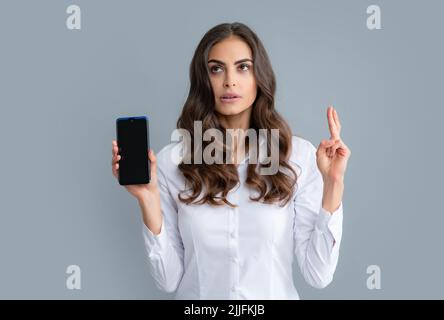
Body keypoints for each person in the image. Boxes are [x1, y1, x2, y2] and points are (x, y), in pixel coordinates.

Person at [111, 22, 351, 299]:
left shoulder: (297, 156)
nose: (229, 81)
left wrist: (333, 184)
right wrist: (148, 198)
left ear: (259, 76)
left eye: (243, 67)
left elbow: (318, 274)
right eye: (216, 69)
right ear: (203, 79)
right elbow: (168, 280)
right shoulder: (171, 163)